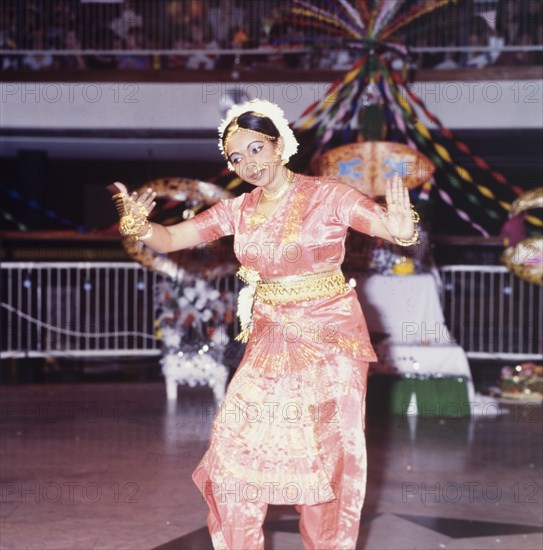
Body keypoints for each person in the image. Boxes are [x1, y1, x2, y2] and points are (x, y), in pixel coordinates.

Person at [108, 99, 419, 549]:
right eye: (236, 157)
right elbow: (173, 237)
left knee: (324, 460)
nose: (248, 163)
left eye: (256, 149)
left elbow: (386, 228)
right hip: (270, 336)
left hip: (330, 340)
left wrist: (402, 227)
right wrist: (138, 226)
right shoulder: (238, 209)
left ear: (280, 145)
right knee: (232, 448)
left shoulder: (330, 195)